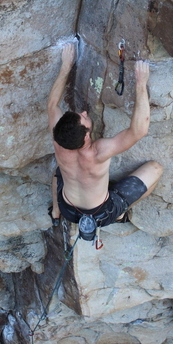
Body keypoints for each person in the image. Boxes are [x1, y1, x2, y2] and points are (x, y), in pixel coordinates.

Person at [47, 42, 163, 229]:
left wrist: (65, 66)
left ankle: (56, 212)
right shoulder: (98, 152)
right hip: (101, 213)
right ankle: (120, 214)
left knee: (59, 171)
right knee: (156, 169)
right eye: (84, 118)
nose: (84, 113)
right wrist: (141, 84)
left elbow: (53, 105)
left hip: (67, 207)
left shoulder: (59, 140)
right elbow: (138, 131)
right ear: (86, 136)